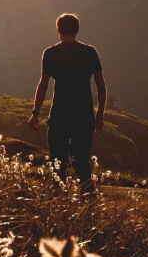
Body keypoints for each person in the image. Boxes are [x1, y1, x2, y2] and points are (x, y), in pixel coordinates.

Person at [28, 13, 106, 186]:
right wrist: (99, 114)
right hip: (84, 115)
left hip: (59, 115)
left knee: (57, 164)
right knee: (82, 163)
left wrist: (35, 113)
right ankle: (88, 204)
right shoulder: (89, 52)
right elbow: (101, 85)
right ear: (77, 30)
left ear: (58, 30)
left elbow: (43, 85)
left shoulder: (50, 53)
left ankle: (58, 204)